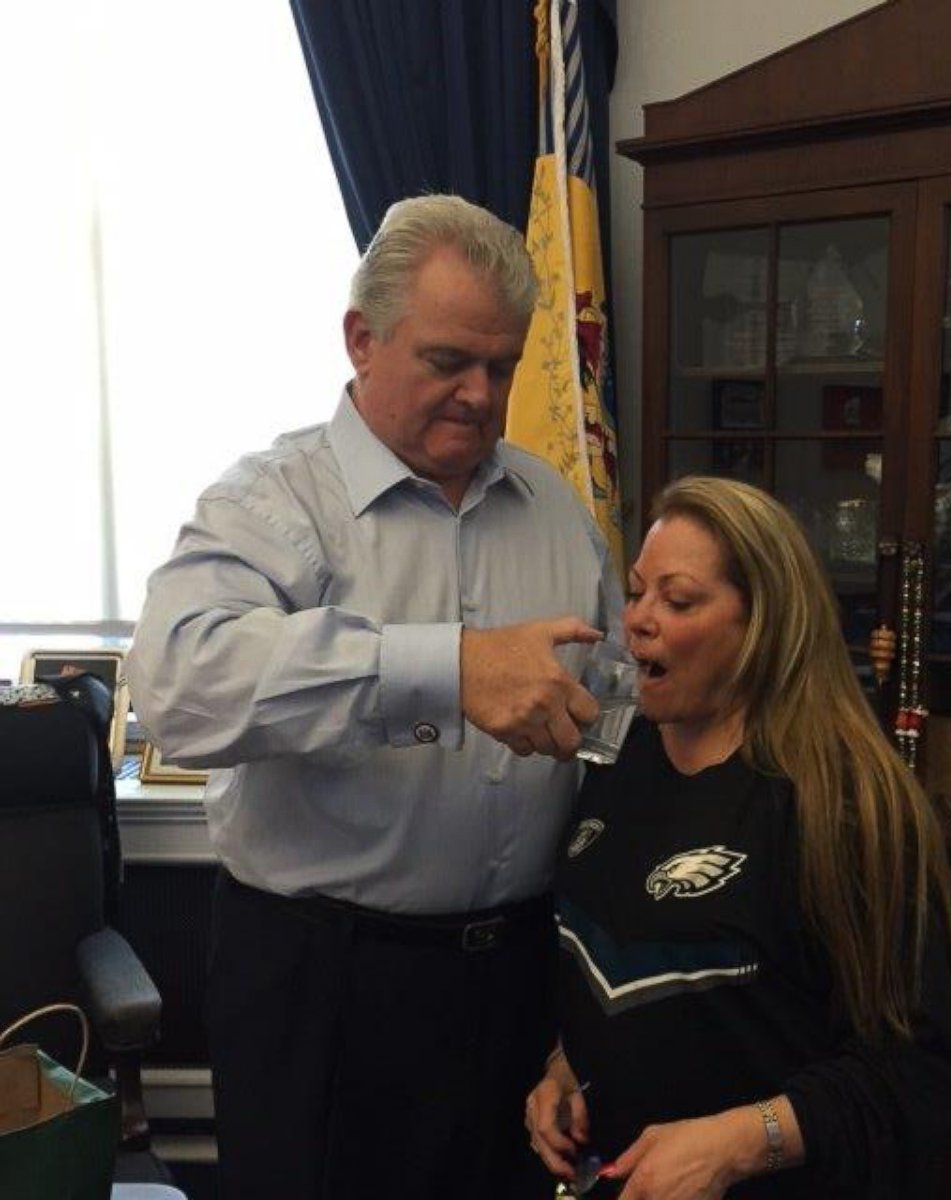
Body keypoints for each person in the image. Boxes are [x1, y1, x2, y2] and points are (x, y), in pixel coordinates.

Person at [126, 194, 622, 1200]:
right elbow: (179, 686)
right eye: (448, 362)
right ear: (362, 339)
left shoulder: (557, 512)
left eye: (504, 365)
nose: (482, 397)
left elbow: (616, 714)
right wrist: (446, 668)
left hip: (524, 977)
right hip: (327, 984)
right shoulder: (273, 502)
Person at [526, 476, 951, 1199]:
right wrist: (562, 1069)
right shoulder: (618, 754)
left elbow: (918, 1071)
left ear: (763, 622)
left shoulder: (845, 799)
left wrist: (737, 1144)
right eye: (636, 592)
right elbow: (615, 971)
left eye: (677, 601)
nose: (638, 620)